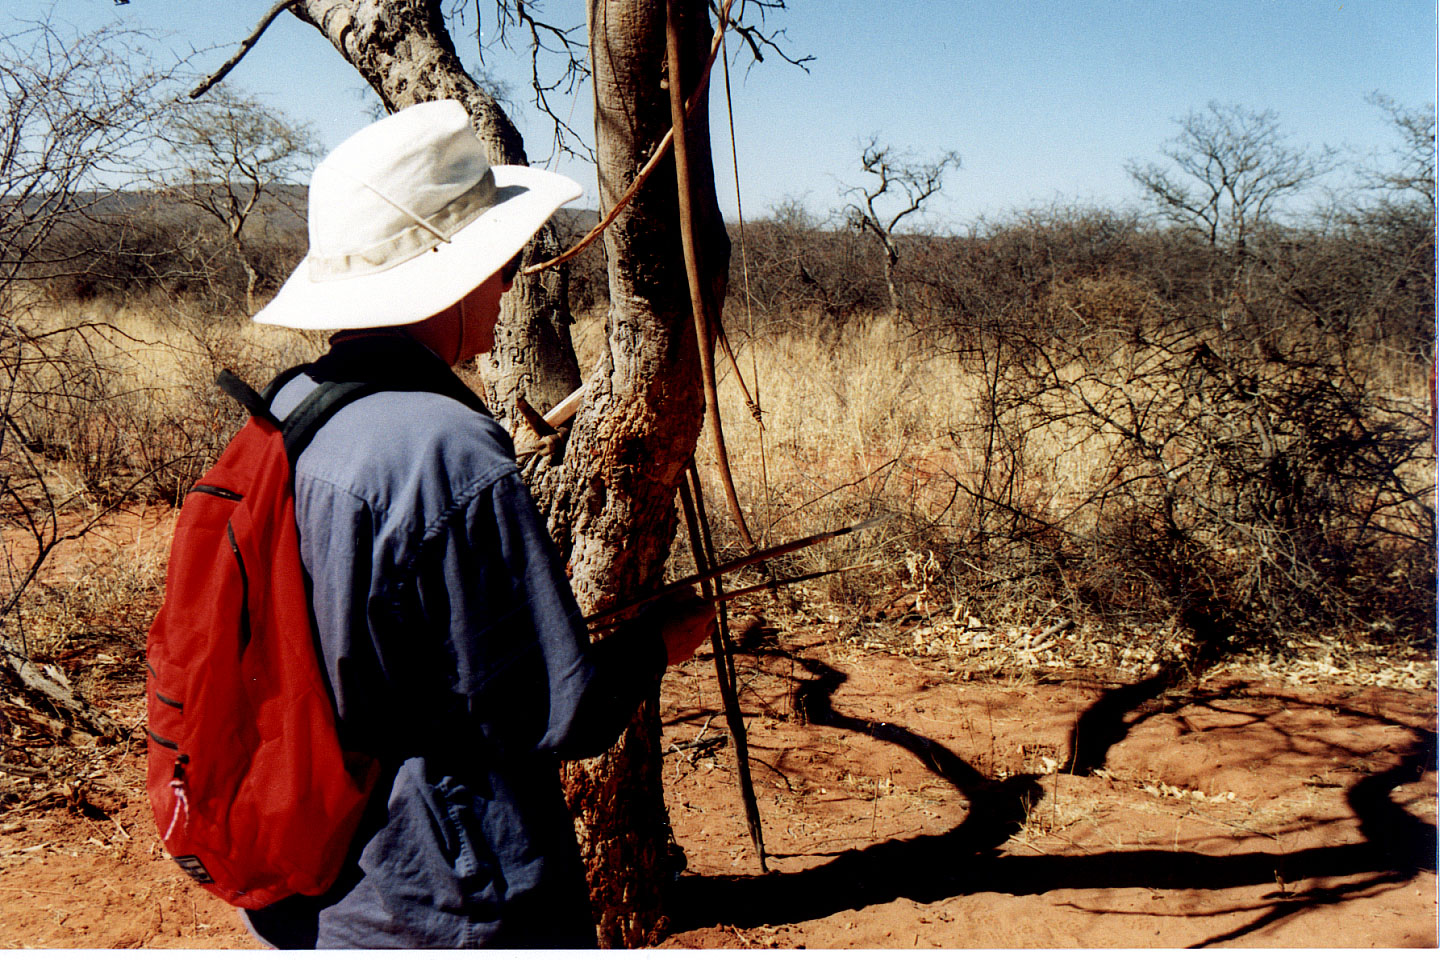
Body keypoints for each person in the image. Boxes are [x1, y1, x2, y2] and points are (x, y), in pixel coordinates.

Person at [237, 100, 714, 949]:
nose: (502, 284)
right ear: (450, 276)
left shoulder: (289, 407)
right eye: (495, 263)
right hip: (444, 896)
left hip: (309, 875)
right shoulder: (449, 449)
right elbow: (557, 713)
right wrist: (659, 645)